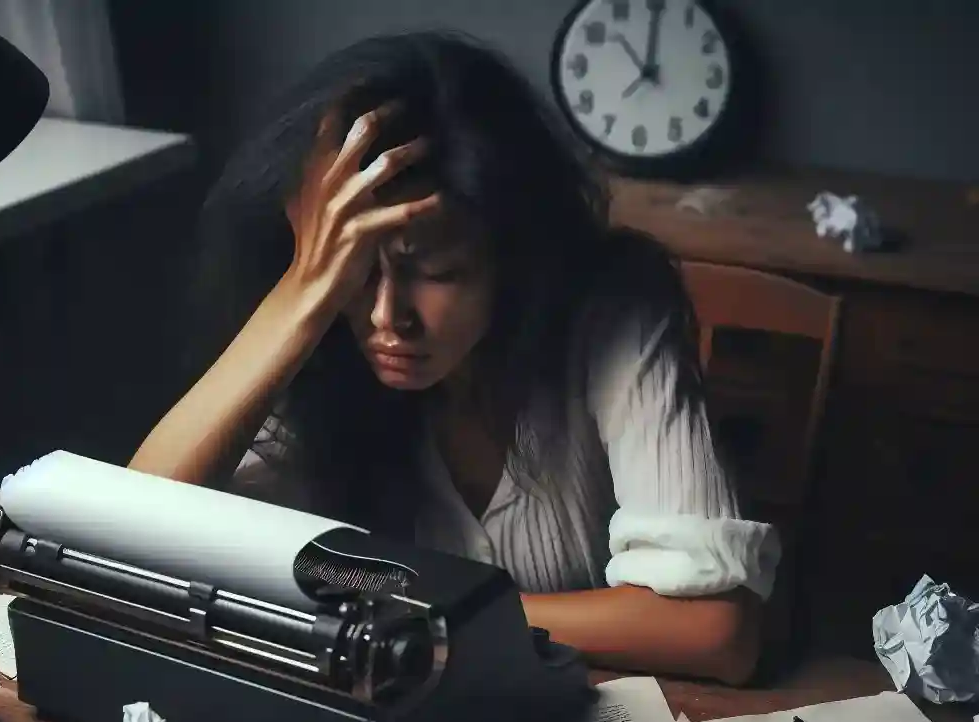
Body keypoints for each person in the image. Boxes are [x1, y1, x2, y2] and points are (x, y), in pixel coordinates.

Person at [130, 31, 780, 685]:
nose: (388, 318)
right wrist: (302, 298)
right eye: (353, 273)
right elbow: (131, 541)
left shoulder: (611, 309)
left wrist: (426, 614)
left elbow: (714, 630)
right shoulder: (324, 344)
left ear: (513, 259)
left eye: (435, 272)